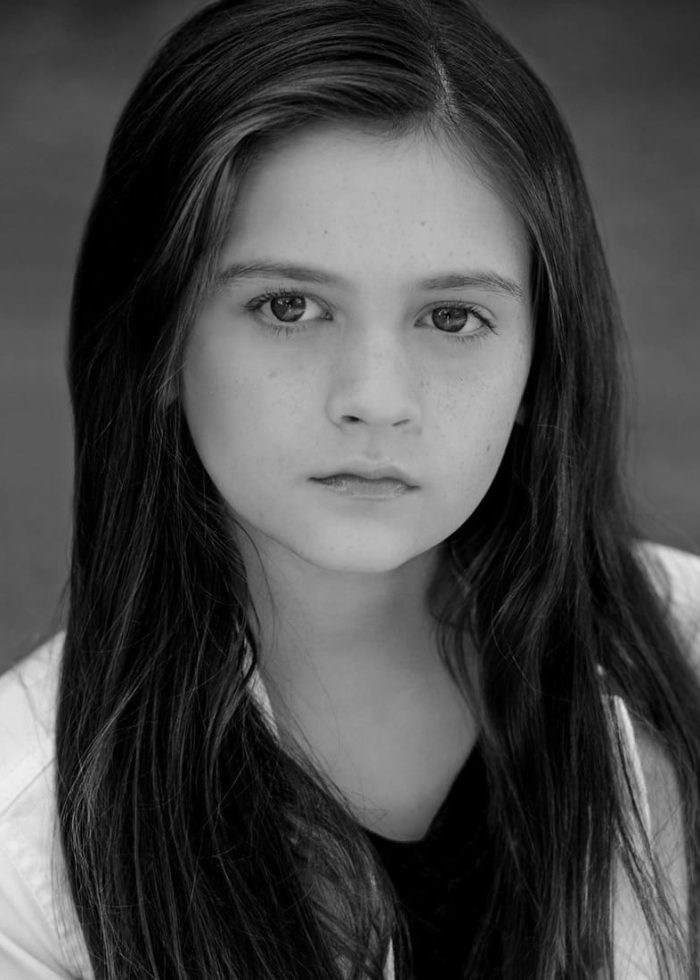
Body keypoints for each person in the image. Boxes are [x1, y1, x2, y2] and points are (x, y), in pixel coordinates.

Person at [1, 0, 699, 976]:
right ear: (158, 340)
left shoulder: (686, 660)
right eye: (288, 306)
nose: (375, 397)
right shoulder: (18, 847)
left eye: (451, 316)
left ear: (540, 358)